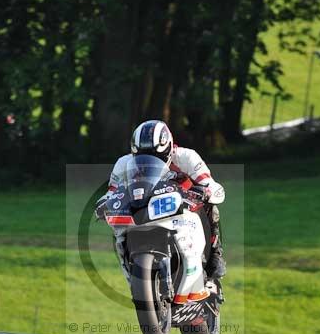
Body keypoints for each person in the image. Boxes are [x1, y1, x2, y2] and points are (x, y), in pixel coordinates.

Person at [97, 119, 226, 278]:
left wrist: (207, 190)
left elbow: (206, 181)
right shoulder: (124, 163)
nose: (150, 161)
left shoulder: (186, 156)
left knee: (211, 207)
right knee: (118, 227)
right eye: (142, 156)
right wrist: (105, 203)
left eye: (157, 156)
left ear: (169, 148)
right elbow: (113, 191)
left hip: (183, 204)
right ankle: (130, 267)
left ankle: (215, 254)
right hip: (144, 207)